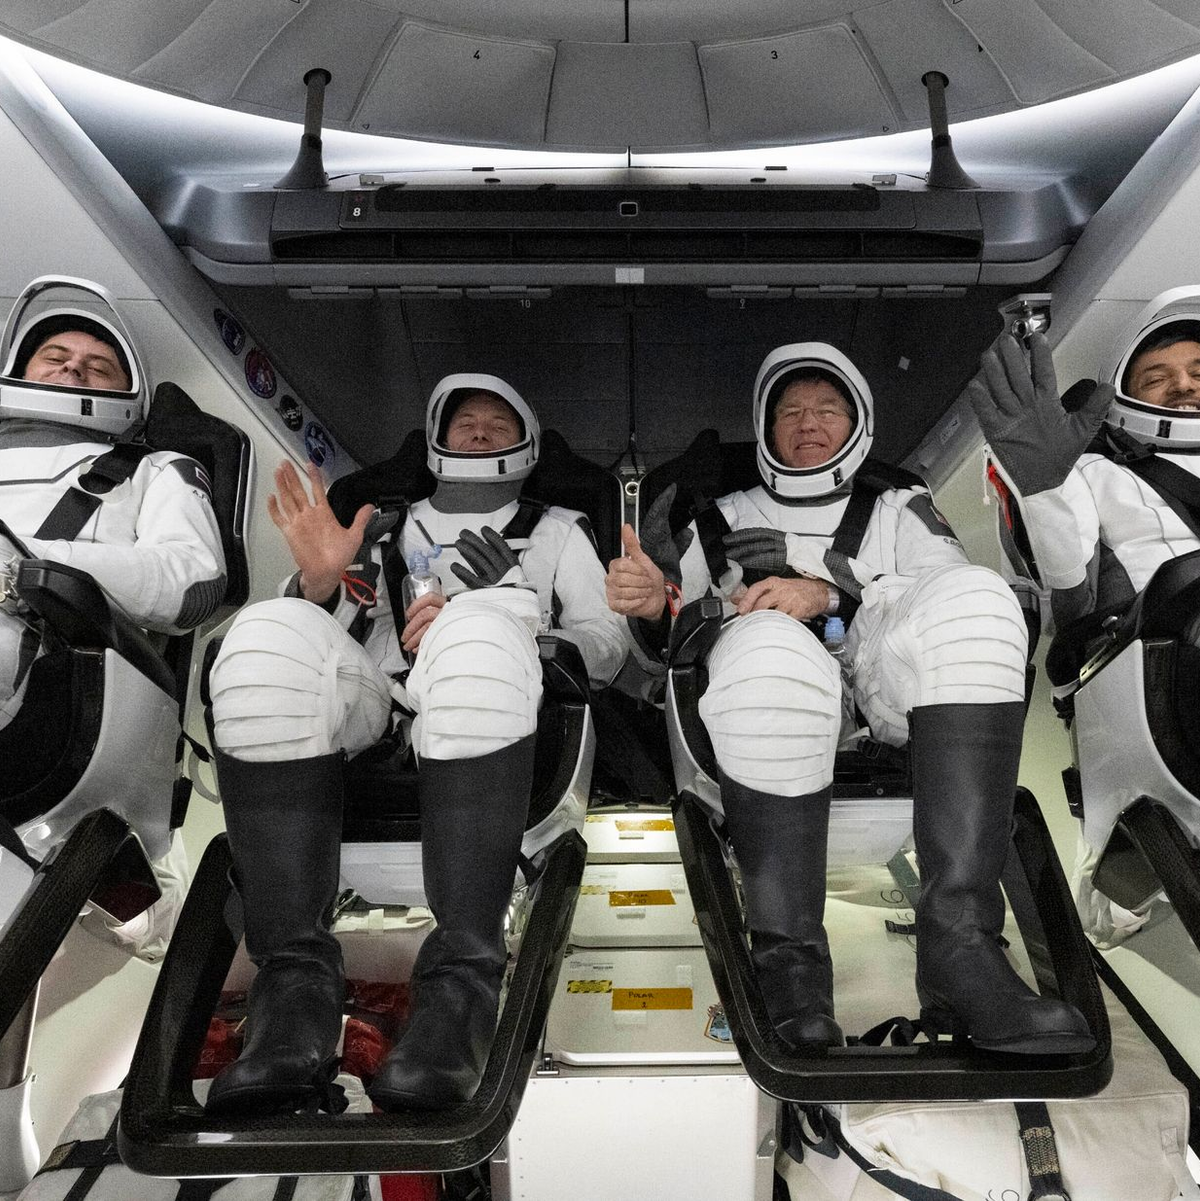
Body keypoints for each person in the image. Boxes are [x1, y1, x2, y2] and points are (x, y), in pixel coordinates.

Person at [607, 341, 1093, 1054]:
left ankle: (962, 950)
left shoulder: (898, 506)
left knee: (981, 599)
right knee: (768, 640)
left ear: (858, 423)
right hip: (764, 698)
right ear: (765, 428)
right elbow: (673, 635)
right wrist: (655, 605)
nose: (809, 422)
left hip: (883, 691)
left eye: (827, 408)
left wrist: (832, 593)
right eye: (792, 410)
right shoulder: (717, 516)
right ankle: (789, 965)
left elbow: (944, 594)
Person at [205, 374, 626, 1114]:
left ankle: (462, 989)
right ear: (436, 437)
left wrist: (507, 616)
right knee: (262, 635)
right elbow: (322, 650)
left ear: (527, 442)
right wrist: (319, 582)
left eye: (500, 420)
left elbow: (607, 645)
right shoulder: (379, 523)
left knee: (474, 634)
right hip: (378, 705)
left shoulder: (559, 529)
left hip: (498, 707)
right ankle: (292, 995)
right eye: (466, 420)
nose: (481, 430)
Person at [1, 299, 226, 728]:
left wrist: (27, 563)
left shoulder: (152, 468)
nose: (72, 368)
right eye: (55, 357)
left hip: (58, 670)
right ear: (18, 371)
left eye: (99, 367)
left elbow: (193, 586)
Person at [966, 296, 1200, 634]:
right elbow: (1070, 606)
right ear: (1124, 396)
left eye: (1198, 372)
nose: (1183, 384)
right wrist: (1045, 490)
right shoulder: (1089, 470)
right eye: (1155, 379)